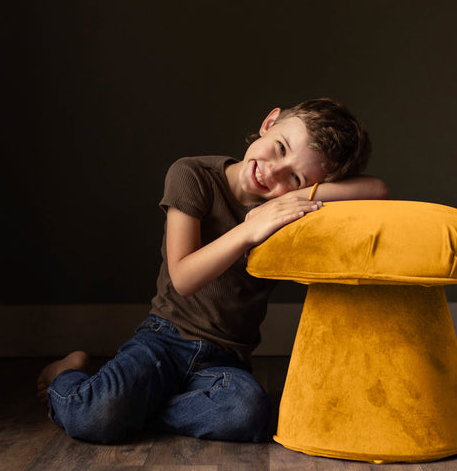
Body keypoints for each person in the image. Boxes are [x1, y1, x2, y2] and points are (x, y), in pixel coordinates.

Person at [37, 98, 389, 443]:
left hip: (226, 361)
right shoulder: (193, 175)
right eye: (280, 147)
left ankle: (135, 406)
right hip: (164, 339)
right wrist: (249, 230)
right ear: (269, 122)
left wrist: (286, 200)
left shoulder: (281, 209)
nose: (272, 172)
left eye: (295, 177)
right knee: (93, 415)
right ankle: (66, 373)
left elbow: (377, 189)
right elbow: (184, 277)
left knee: (248, 412)